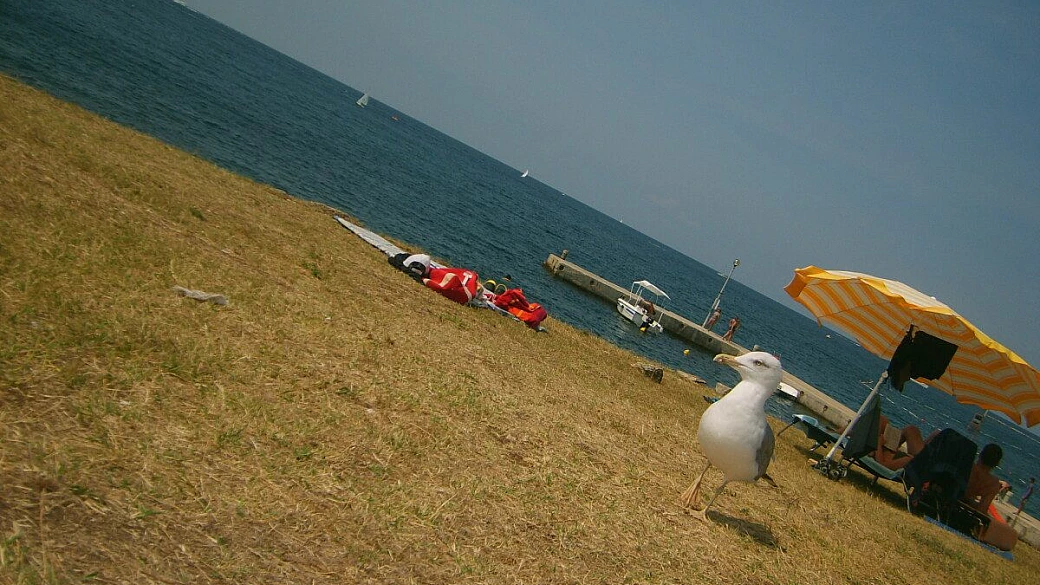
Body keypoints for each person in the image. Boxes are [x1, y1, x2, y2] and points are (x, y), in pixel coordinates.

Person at [963, 443, 1003, 513]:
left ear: (980, 454)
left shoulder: (967, 465)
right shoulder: (993, 483)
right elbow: (982, 509)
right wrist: (971, 501)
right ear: (997, 463)